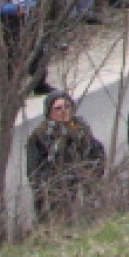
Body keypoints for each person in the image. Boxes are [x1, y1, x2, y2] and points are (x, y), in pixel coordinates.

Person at [26, 90, 104, 219]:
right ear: (49, 112)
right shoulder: (40, 136)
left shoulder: (81, 128)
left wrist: (91, 172)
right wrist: (54, 186)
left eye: (67, 107)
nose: (63, 111)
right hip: (57, 195)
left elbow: (97, 152)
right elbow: (34, 173)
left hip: (84, 190)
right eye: (58, 108)